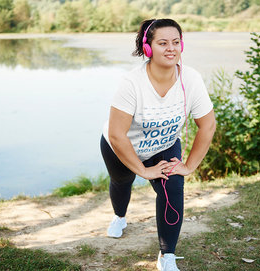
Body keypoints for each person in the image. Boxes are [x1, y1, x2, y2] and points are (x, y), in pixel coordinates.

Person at [100, 18, 216, 271]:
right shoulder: (131, 83)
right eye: (162, 43)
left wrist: (189, 166)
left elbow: (207, 125)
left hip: (163, 145)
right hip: (120, 146)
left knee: (173, 187)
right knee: (122, 182)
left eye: (176, 42)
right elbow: (117, 134)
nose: (171, 48)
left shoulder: (191, 79)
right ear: (148, 48)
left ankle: (167, 255)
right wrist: (142, 171)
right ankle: (120, 217)